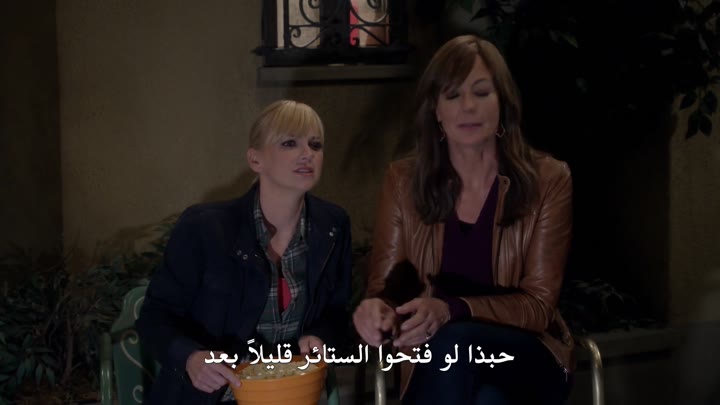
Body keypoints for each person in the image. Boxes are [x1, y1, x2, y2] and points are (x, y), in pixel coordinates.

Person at [353, 35, 574, 404]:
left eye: (482, 93)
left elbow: (538, 307)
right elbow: (387, 291)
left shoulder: (548, 179)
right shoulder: (403, 181)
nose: (468, 106)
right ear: (436, 111)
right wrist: (378, 312)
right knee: (485, 398)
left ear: (503, 103)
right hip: (443, 362)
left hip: (529, 354)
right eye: (453, 96)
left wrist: (451, 310)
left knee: (455, 341)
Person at [136, 100, 352, 404]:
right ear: (255, 159)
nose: (307, 154)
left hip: (292, 393)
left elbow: (336, 312)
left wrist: (320, 337)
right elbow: (154, 317)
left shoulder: (332, 225)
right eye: (290, 143)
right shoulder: (205, 228)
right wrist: (191, 358)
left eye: (315, 145)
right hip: (212, 397)